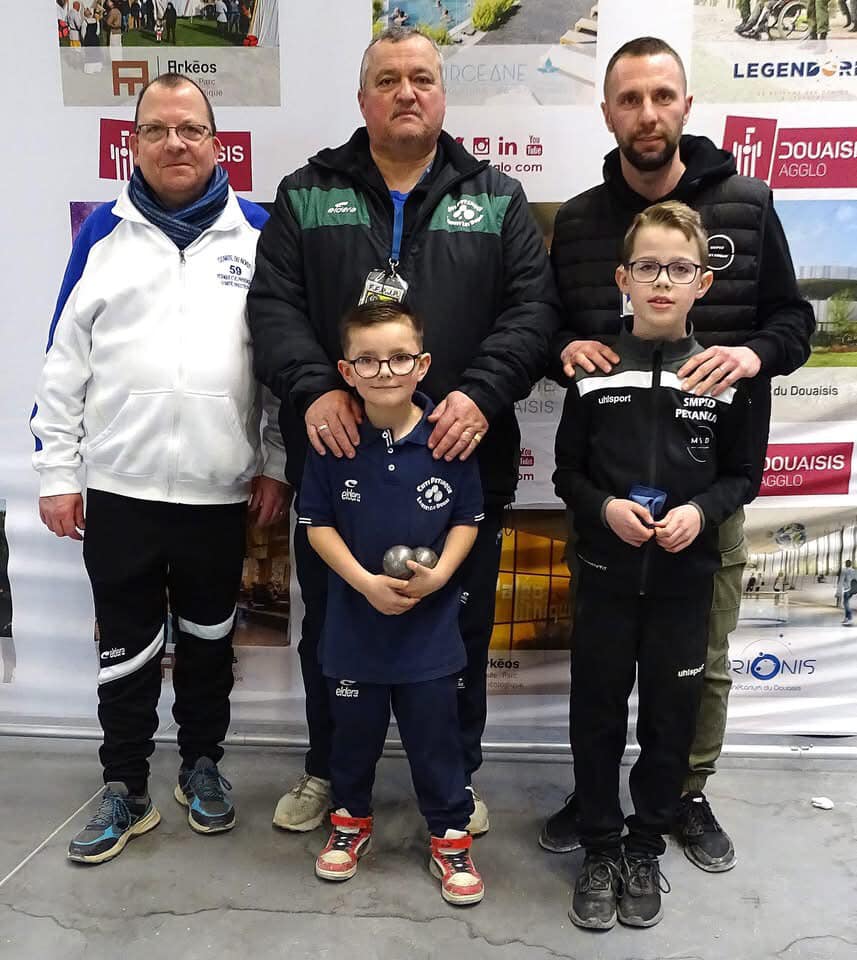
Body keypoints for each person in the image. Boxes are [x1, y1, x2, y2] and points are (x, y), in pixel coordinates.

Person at [248, 26, 558, 838]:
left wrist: (481, 393)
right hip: (339, 463)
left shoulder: (496, 196)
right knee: (333, 625)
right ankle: (327, 770)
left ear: (442, 95)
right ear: (363, 99)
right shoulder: (305, 193)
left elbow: (534, 311)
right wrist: (313, 387)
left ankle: (452, 777)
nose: (406, 92)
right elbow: (272, 307)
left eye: (421, 77)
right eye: (387, 79)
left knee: (457, 629)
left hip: (458, 460)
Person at [542, 36, 814, 873]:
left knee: (701, 663)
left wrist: (749, 356)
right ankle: (595, 799)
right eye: (629, 98)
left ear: (685, 105)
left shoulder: (747, 202)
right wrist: (561, 348)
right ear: (607, 113)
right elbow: (544, 324)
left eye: (661, 96)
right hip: (611, 499)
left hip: (708, 490)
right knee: (603, 672)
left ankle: (682, 795)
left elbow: (793, 322)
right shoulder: (580, 220)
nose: (647, 113)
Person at [32, 73, 287, 865]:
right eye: (156, 129)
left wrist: (276, 461)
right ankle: (126, 786)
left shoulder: (258, 234)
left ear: (217, 143)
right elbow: (63, 365)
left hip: (219, 491)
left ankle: (202, 764)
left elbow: (283, 365)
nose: (174, 143)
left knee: (210, 641)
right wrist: (57, 473)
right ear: (132, 144)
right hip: (120, 491)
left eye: (190, 129)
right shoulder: (101, 236)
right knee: (126, 651)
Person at [556, 201, 754, 930]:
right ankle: (599, 847)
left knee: (670, 722)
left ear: (703, 281)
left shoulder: (724, 375)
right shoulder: (592, 372)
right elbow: (567, 474)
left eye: (678, 268)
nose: (662, 281)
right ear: (623, 279)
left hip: (683, 584)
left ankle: (644, 848)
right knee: (596, 715)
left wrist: (699, 513)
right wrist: (604, 508)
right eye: (648, 267)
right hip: (605, 580)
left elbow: (743, 475)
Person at [301, 302, 485, 905]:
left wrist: (441, 576)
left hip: (429, 633)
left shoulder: (449, 440)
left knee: (436, 739)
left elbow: (467, 520)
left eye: (400, 358)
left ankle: (450, 834)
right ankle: (349, 821)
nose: (385, 371)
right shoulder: (333, 443)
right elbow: (317, 526)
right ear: (346, 370)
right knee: (351, 738)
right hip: (355, 629)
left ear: (423, 364)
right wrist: (365, 583)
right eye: (368, 360)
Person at [838, 559, 855, 625]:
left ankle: (849, 618)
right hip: (852, 589)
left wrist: (838, 591)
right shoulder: (853, 571)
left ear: (846, 564)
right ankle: (846, 618)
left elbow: (841, 581)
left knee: (846, 603)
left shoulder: (844, 571)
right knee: (846, 603)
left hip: (847, 589)